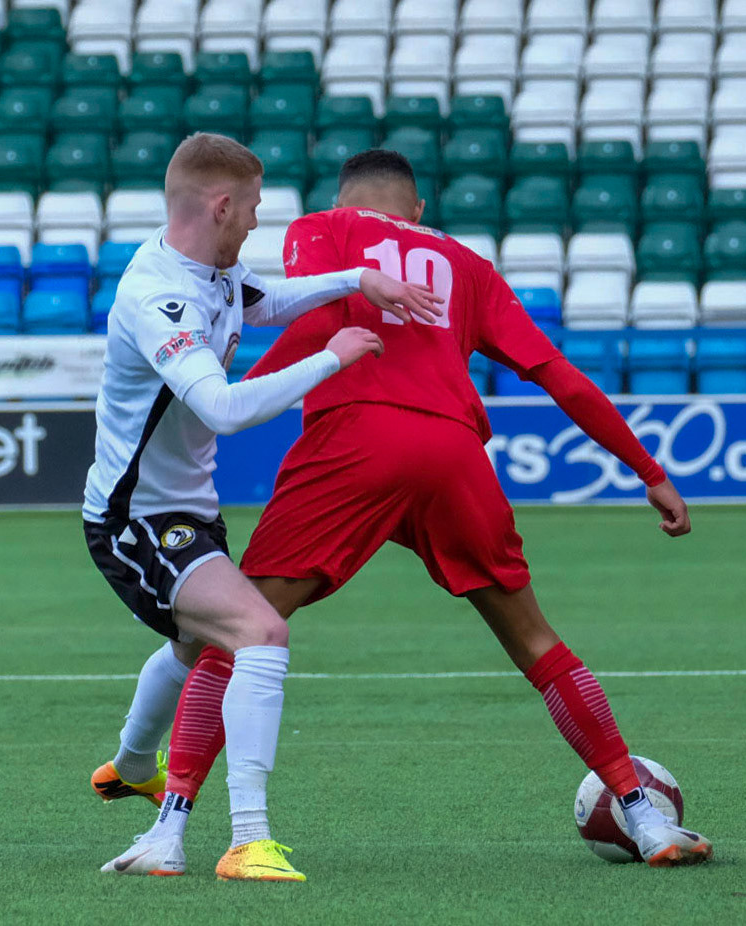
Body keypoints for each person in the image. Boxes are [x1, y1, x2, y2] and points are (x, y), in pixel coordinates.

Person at [94, 150, 714, 874]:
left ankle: (169, 829)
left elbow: (308, 327)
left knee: (238, 632)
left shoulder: (323, 229)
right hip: (454, 453)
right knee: (538, 643)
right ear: (417, 210)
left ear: (343, 200)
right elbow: (560, 375)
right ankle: (644, 816)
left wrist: (234, 398)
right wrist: (649, 471)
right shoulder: (467, 265)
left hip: (354, 443)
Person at [81, 134, 442, 882]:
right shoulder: (159, 297)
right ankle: (247, 838)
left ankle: (131, 764)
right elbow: (220, 407)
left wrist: (357, 279)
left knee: (193, 647)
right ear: (220, 205)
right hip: (135, 523)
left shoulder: (212, 268)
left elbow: (263, 299)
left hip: (183, 512)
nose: (254, 223)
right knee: (259, 632)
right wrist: (331, 357)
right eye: (250, 209)